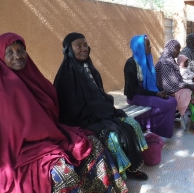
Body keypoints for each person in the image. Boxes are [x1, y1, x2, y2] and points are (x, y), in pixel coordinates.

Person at [0, 33, 127, 193]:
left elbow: (50, 113)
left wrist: (51, 135)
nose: (17, 56)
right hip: (17, 151)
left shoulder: (33, 78)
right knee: (62, 171)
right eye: (9, 52)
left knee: (92, 145)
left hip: (49, 136)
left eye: (21, 50)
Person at [54, 32, 148, 181]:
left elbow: (102, 96)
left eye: (85, 45)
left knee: (132, 123)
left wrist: (108, 111)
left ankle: (132, 167)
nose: (84, 48)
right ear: (68, 50)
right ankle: (120, 176)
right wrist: (98, 115)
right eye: (78, 46)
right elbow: (69, 110)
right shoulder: (64, 77)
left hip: (102, 114)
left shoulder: (90, 69)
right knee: (113, 137)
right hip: (83, 121)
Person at [124, 34, 177, 138]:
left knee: (172, 101)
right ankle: (149, 125)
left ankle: (159, 127)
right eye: (147, 45)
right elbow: (134, 88)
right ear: (139, 47)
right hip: (136, 95)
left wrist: (160, 91)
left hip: (147, 92)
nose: (150, 47)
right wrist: (156, 94)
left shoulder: (147, 61)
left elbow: (152, 82)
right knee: (165, 105)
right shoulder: (131, 63)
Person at [155, 39, 194, 137]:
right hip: (169, 91)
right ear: (170, 49)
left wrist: (188, 84)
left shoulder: (170, 61)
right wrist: (188, 85)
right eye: (177, 49)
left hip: (176, 88)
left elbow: (177, 81)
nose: (179, 52)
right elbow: (168, 85)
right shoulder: (165, 63)